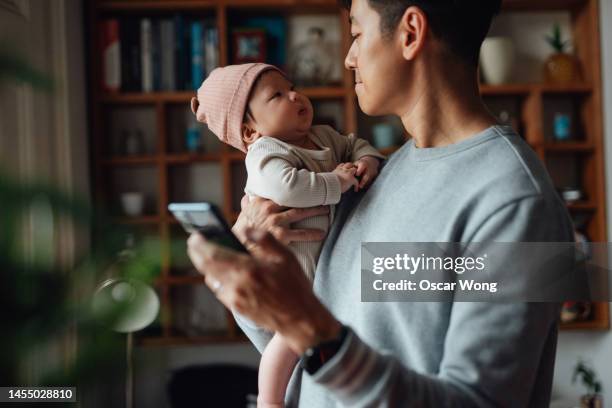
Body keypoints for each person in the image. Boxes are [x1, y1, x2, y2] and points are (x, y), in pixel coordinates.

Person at [187, 0, 574, 406]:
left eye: (356, 34)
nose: (349, 58)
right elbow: (311, 358)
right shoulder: (373, 177)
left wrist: (313, 329)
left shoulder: (517, 203)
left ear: (410, 32)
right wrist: (254, 280)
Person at [190, 63, 384, 408]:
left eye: (291, 87)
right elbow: (288, 188)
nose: (295, 95)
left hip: (321, 274)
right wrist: (336, 183)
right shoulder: (266, 153)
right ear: (250, 133)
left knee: (304, 333)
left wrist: (367, 159)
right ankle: (269, 399)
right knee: (287, 339)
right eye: (276, 95)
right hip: (289, 271)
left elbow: (353, 145)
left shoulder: (324, 136)